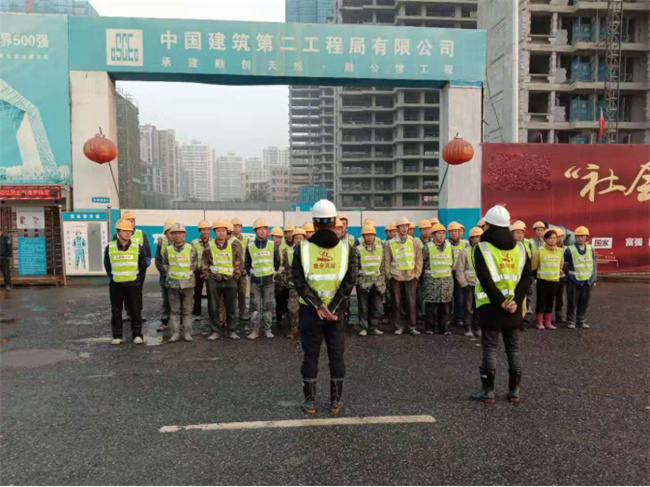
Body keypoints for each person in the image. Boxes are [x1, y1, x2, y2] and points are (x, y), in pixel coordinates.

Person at [292, 200, 357, 415]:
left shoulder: (302, 248)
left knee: (310, 355)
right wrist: (334, 308)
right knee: (336, 356)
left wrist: (318, 306)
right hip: (336, 314)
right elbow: (350, 281)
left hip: (310, 312)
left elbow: (299, 281)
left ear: (314, 222)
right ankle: (335, 403)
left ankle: (309, 403)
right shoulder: (347, 248)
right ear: (334, 221)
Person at [470, 205, 532, 404]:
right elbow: (526, 279)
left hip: (490, 306)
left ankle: (488, 391)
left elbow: (485, 279)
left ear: (488, 225)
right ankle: (514, 392)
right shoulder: (522, 248)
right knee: (513, 349)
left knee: (490, 348)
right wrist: (515, 302)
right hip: (514, 307)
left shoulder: (481, 248)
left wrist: (501, 302)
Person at [104, 219, 147, 345]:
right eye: (125, 230)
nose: (128, 233)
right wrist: (114, 277)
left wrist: (138, 279)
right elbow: (108, 265)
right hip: (116, 284)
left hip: (133, 284)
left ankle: (137, 334)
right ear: (118, 232)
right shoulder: (110, 247)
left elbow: (142, 265)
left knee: (135, 310)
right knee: (116, 310)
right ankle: (117, 335)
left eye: (130, 231)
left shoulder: (137, 247)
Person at [203, 220, 243, 340]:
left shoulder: (234, 246)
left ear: (227, 232)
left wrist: (236, 276)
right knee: (213, 307)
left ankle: (232, 330)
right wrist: (208, 277)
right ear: (215, 232)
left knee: (231, 307)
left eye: (223, 231)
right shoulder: (209, 246)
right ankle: (215, 331)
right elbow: (204, 263)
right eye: (218, 231)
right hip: (214, 280)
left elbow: (238, 261)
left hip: (230, 280)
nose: (221, 233)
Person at [383, 216, 423, 335]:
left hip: (410, 276)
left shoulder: (414, 242)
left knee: (411, 303)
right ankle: (398, 326)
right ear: (397, 228)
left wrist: (417, 275)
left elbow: (419, 260)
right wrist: (389, 276)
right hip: (396, 276)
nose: (404, 228)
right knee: (396, 303)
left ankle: (412, 327)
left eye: (406, 226)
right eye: (402, 226)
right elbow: (386, 261)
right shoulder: (390, 243)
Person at [162, 224, 198, 342]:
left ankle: (187, 333)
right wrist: (172, 274)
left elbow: (194, 264)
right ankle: (175, 334)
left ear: (184, 234)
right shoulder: (168, 250)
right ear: (171, 235)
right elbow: (165, 264)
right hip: (173, 284)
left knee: (187, 310)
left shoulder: (191, 249)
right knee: (174, 311)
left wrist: (187, 274)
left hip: (188, 283)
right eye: (175, 233)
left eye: (180, 233)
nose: (178, 235)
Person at [246, 219, 280, 340]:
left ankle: (267, 330)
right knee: (255, 307)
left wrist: (271, 273)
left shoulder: (272, 245)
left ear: (267, 231)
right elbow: (247, 263)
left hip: (268, 282)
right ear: (255, 231)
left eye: (264, 229)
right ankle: (255, 330)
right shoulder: (250, 246)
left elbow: (277, 261)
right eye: (259, 229)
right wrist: (251, 275)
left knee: (268, 306)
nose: (262, 231)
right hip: (255, 282)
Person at [421, 223, 453, 335]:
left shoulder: (449, 247)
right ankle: (429, 328)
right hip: (431, 282)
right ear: (433, 235)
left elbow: (452, 262)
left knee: (445, 307)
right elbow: (422, 263)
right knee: (430, 306)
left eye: (443, 233)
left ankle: (444, 329)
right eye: (439, 233)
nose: (441, 235)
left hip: (446, 283)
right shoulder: (427, 247)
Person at [120, 211, 151, 323]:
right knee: (125, 292)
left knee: (137, 293)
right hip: (124, 270)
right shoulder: (117, 236)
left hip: (139, 271)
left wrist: (145, 265)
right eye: (128, 220)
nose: (131, 223)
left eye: (133, 221)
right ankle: (129, 313)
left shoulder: (141, 234)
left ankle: (138, 313)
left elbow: (147, 251)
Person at [356, 224, 386, 336]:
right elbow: (355, 267)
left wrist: (382, 281)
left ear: (374, 236)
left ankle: (374, 327)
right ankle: (363, 327)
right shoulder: (358, 249)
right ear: (363, 236)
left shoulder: (380, 248)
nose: (369, 237)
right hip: (363, 282)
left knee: (375, 306)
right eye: (367, 235)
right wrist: (357, 281)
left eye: (371, 235)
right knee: (363, 307)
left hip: (377, 282)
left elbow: (382, 266)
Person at [564, 226, 597, 329]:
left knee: (584, 302)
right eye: (578, 236)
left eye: (582, 236)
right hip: (573, 280)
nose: (580, 238)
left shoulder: (591, 249)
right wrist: (568, 278)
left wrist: (593, 279)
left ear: (586, 237)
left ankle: (581, 321)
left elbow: (593, 264)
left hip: (587, 280)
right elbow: (565, 266)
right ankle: (571, 321)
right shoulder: (569, 250)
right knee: (572, 302)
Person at [532, 228, 564, 331]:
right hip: (542, 281)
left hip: (554, 280)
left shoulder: (560, 251)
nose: (552, 240)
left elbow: (561, 266)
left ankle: (548, 322)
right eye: (550, 238)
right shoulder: (539, 251)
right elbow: (534, 266)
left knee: (550, 301)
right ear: (545, 239)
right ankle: (539, 322)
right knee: (541, 301)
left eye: (554, 238)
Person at [455, 226, 483, 337]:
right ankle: (467, 328)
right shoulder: (465, 252)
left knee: (479, 308)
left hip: (481, 286)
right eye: (475, 237)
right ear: (471, 238)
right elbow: (459, 270)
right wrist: (464, 284)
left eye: (480, 236)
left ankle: (477, 327)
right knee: (468, 308)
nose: (478, 239)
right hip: (469, 284)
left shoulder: (486, 252)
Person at [283, 227, 306, 339]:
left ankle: (306, 330)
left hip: (306, 286)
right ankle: (294, 329)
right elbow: (286, 268)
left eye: (301, 238)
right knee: (293, 309)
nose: (299, 240)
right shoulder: (288, 251)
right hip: (293, 285)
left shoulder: (309, 252)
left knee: (306, 309)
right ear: (293, 239)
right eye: (297, 238)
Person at [510, 220, 532, 330]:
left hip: (522, 279)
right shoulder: (508, 247)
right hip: (511, 280)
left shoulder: (524, 247)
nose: (520, 235)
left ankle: (522, 322)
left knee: (523, 301)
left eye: (522, 233)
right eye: (517, 232)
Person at [155, 219, 176, 332]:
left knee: (179, 301)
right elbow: (158, 261)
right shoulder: (161, 244)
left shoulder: (182, 244)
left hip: (179, 278)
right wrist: (165, 272)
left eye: (174, 232)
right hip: (165, 278)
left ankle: (180, 323)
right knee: (166, 301)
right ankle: (164, 321)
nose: (172, 235)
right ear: (165, 233)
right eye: (170, 232)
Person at [191, 220, 213, 322]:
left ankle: (212, 313)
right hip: (198, 271)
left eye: (207, 230)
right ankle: (197, 313)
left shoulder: (213, 242)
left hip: (209, 271)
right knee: (197, 292)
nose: (205, 232)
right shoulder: (194, 242)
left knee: (211, 292)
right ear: (199, 231)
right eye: (203, 230)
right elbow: (192, 257)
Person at [447, 221, 467, 328]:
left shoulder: (465, 244)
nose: (454, 233)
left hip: (460, 274)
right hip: (448, 274)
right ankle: (448, 318)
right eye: (452, 231)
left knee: (460, 298)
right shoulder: (445, 244)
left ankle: (459, 318)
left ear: (460, 232)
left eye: (456, 231)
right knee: (448, 297)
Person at [231, 218, 249, 327]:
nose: (237, 228)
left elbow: (248, 255)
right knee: (232, 293)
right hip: (232, 271)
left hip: (243, 271)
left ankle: (242, 312)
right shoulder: (229, 240)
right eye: (235, 226)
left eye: (239, 226)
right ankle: (233, 313)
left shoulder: (246, 240)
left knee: (242, 292)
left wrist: (246, 268)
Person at [553, 228, 567, 324]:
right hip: (549, 277)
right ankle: (546, 316)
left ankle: (559, 315)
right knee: (548, 298)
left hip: (561, 277)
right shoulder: (548, 249)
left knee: (560, 298)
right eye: (558, 236)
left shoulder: (567, 249)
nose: (560, 239)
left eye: (562, 236)